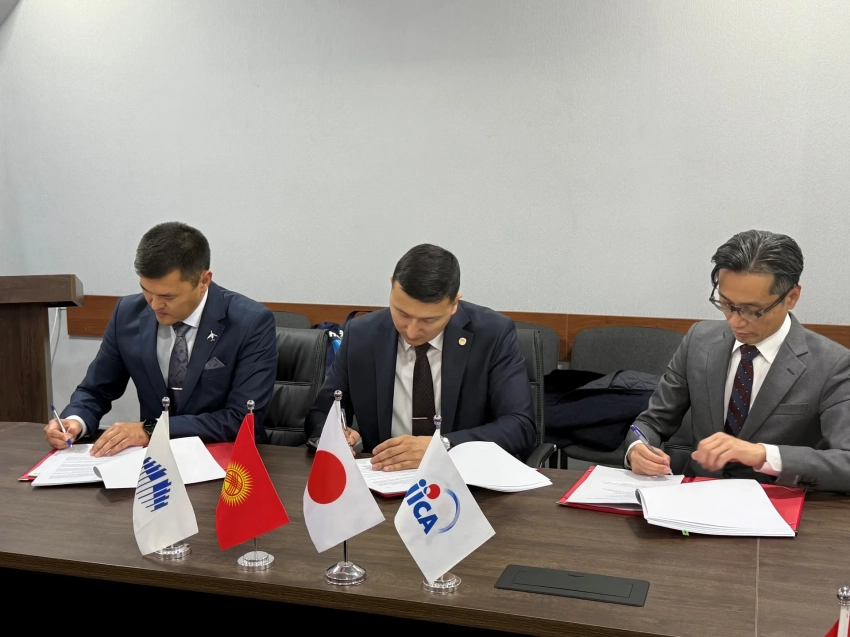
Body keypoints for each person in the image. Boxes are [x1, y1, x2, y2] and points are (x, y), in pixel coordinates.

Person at [626, 229, 850, 491]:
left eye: (752, 311)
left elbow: (845, 462)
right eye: (726, 304)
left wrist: (763, 455)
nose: (735, 321)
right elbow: (652, 422)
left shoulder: (832, 364)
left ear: (791, 297)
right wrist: (636, 448)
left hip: (776, 503)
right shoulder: (699, 341)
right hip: (696, 497)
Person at [44, 222, 277, 456]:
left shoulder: (250, 323)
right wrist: (76, 420)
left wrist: (151, 429)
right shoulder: (127, 313)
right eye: (146, 290)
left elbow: (241, 419)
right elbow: (96, 390)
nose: (154, 305)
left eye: (168, 296)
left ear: (203, 281)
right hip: (153, 462)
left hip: (226, 461)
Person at [305, 244, 536, 471]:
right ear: (391, 287)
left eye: (428, 320)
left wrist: (443, 446)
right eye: (402, 313)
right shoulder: (361, 334)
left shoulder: (493, 334)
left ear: (454, 304)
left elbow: (520, 427)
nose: (412, 331)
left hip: (464, 480)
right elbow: (321, 414)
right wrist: (336, 435)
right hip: (385, 477)